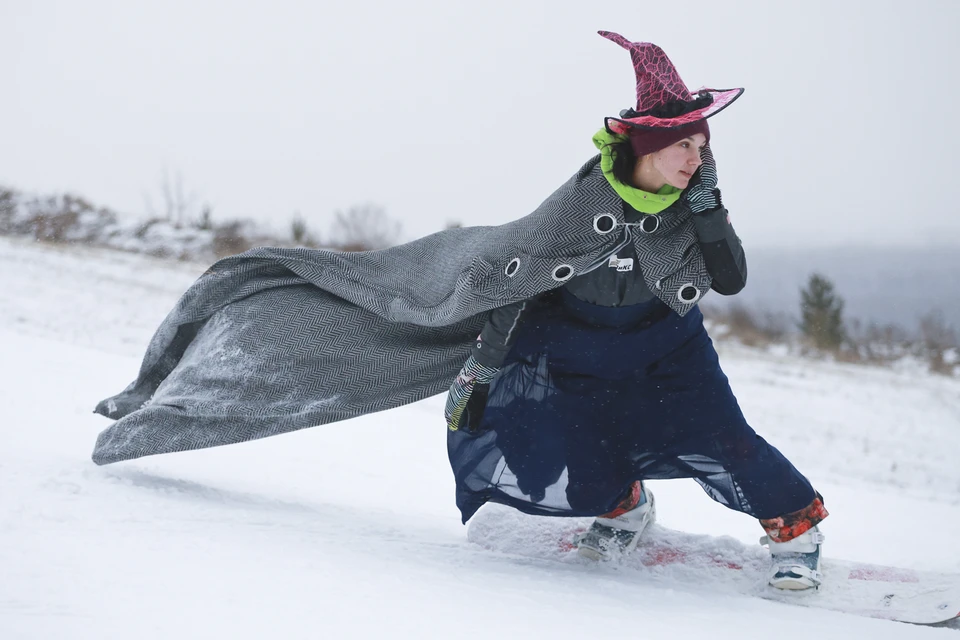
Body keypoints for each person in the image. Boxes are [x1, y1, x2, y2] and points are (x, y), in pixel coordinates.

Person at [444, 31, 828, 591]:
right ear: (648, 147)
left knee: (725, 439)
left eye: (703, 149)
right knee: (581, 447)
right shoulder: (579, 201)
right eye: (686, 148)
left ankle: (798, 535)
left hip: (668, 347)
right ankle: (625, 509)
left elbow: (730, 279)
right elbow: (520, 279)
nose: (698, 161)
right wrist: (482, 365)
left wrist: (709, 212)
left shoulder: (694, 203)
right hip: (577, 350)